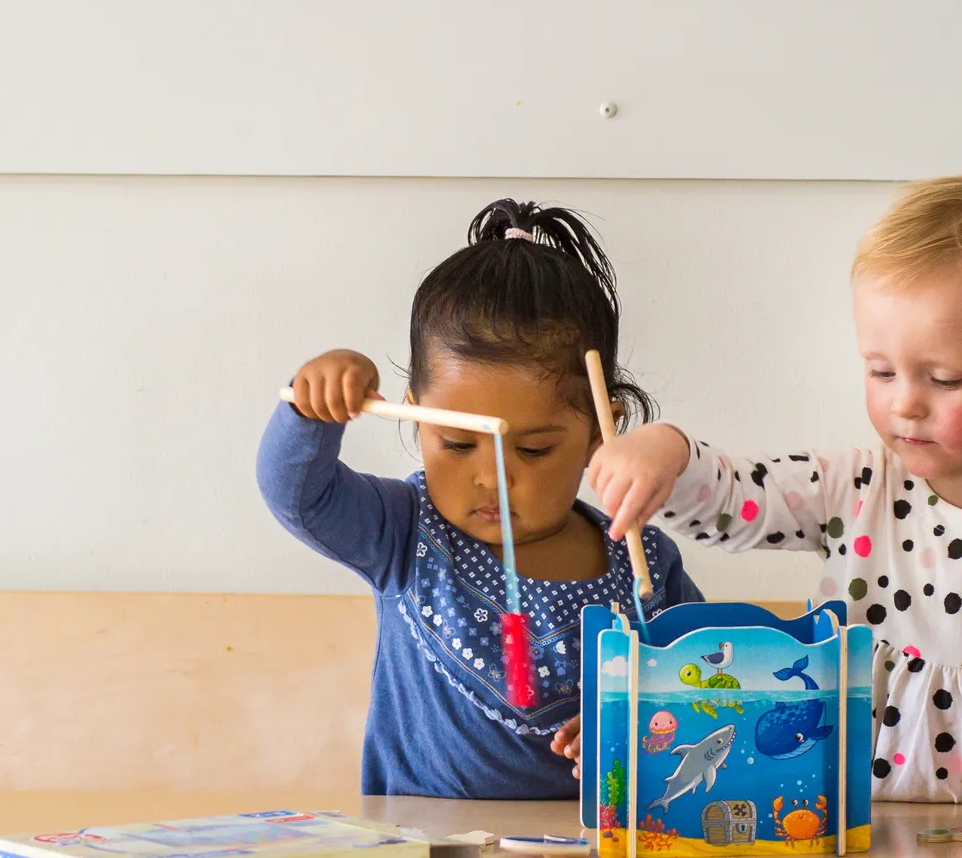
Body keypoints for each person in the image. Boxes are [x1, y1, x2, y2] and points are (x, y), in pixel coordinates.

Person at [586, 176, 962, 802]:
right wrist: (669, 453)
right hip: (853, 829)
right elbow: (733, 500)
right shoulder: (852, 489)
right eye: (881, 371)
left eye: (944, 379)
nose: (905, 404)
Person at [256, 199, 705, 798]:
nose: (492, 478)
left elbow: (701, 686)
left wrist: (633, 724)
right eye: (459, 444)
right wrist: (311, 408)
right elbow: (297, 495)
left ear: (601, 427)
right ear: (414, 412)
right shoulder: (401, 531)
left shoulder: (641, 559)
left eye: (535, 450)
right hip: (425, 838)